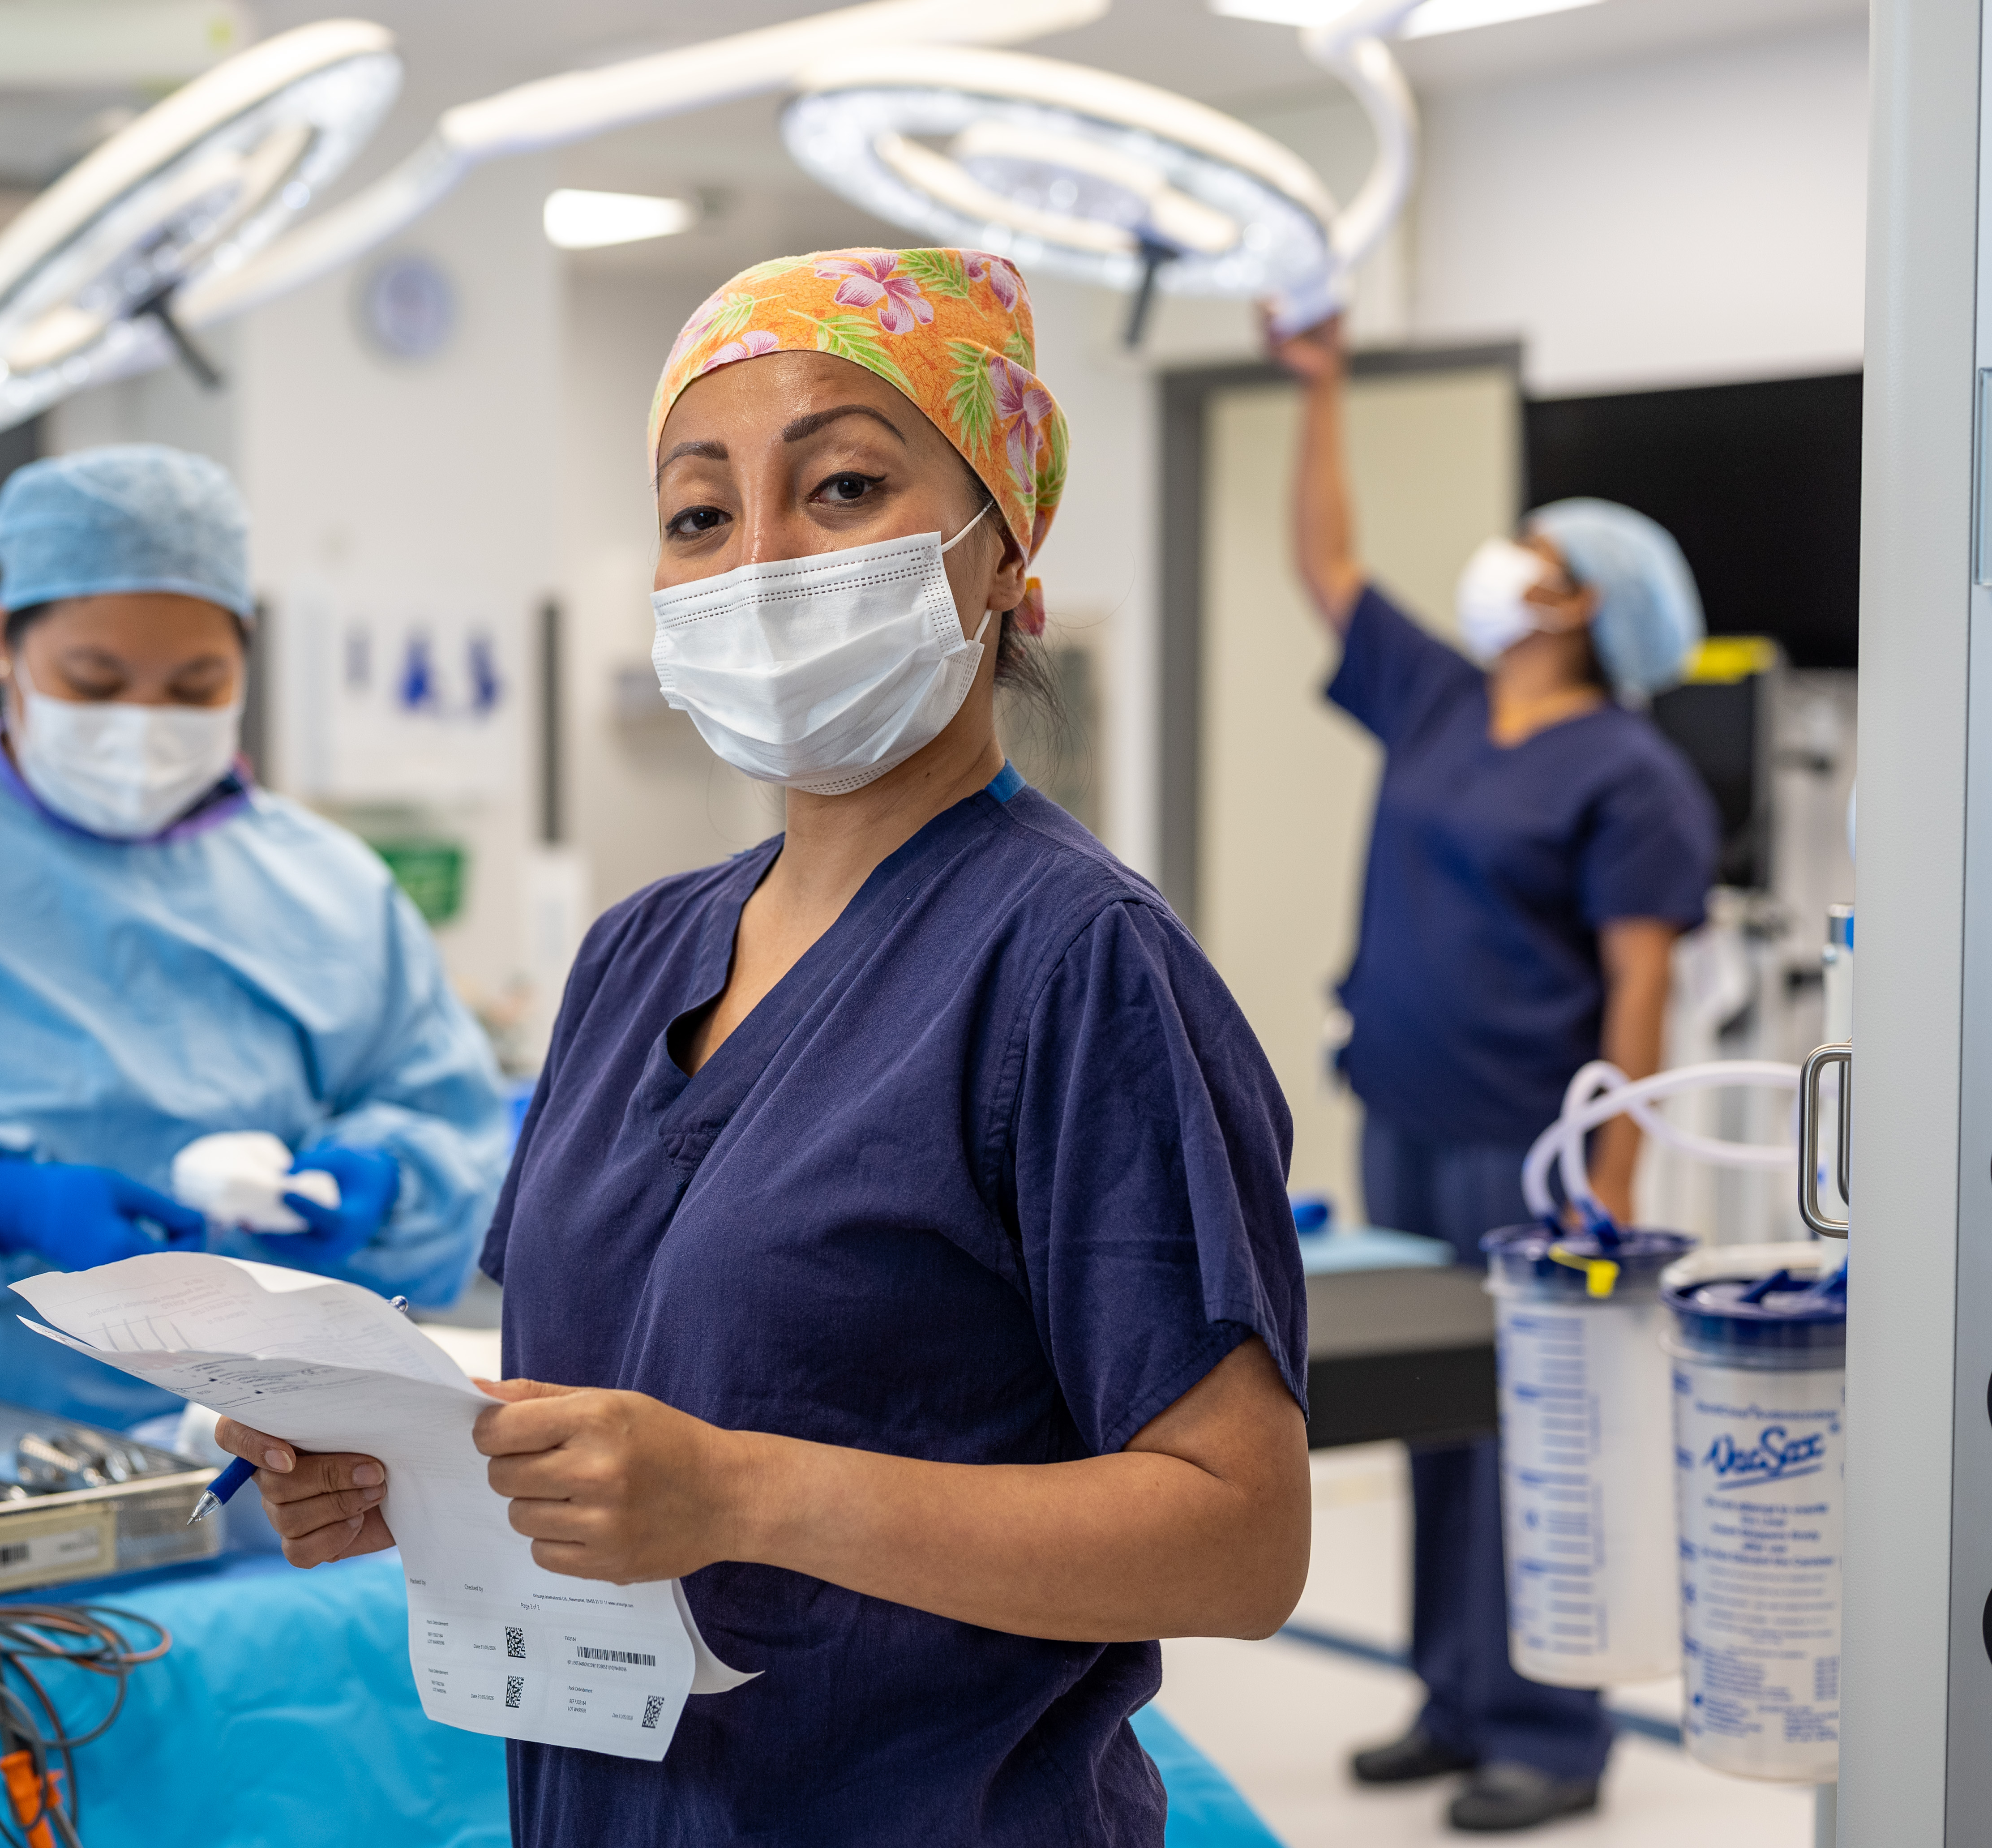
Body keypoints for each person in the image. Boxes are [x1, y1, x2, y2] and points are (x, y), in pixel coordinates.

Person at [215, 249, 1311, 1846]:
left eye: (843, 486)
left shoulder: (1074, 962)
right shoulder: (636, 951)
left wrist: (742, 1494)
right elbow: (627, 1400)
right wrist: (408, 1468)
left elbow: (1236, 1538)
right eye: (696, 515)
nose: (759, 561)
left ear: (1002, 548)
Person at [0, 443, 510, 1427]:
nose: (143, 722)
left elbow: (448, 1126)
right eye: (95, 677)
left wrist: (385, 1180)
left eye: (195, 685)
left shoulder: (329, 889)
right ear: (5, 642)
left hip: (251, 1469)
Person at [1269, 313, 1719, 1832]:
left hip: (1533, 1147)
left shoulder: (1630, 773)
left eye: (1531, 547)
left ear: (1583, 600)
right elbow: (1328, 567)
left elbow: (1640, 986)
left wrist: (1610, 1187)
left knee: (1546, 1431)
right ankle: (1454, 1694)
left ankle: (1549, 1727)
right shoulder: (1442, 699)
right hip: (1402, 1118)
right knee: (1441, 1420)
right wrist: (1319, 393)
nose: (1499, 558)